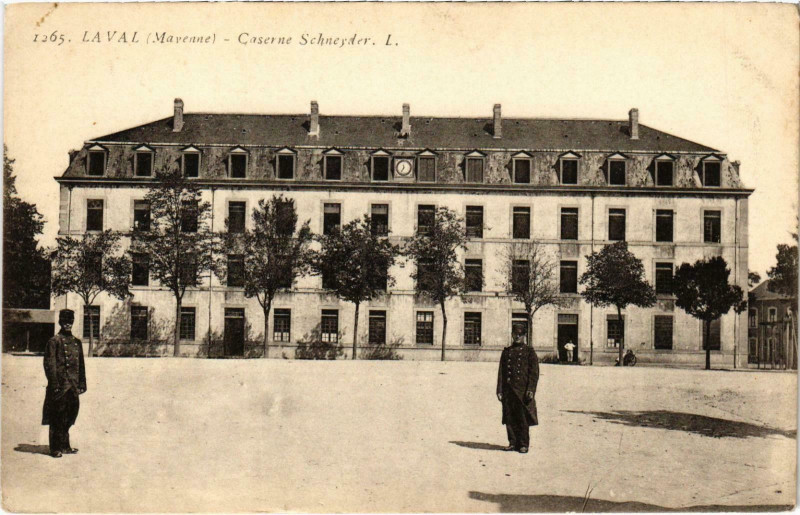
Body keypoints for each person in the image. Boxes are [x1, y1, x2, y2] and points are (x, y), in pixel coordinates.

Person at [42, 309, 86, 458]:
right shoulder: (54, 341)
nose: (68, 324)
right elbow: (50, 365)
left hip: (72, 386)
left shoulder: (76, 342)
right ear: (60, 322)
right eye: (65, 322)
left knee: (70, 415)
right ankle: (55, 447)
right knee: (57, 416)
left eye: (70, 322)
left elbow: (81, 365)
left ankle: (65, 446)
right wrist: (54, 384)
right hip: (60, 387)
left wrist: (82, 383)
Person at [496, 325, 539, 453]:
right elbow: (501, 373)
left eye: (520, 334)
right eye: (515, 334)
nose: (517, 336)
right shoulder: (507, 351)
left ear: (524, 336)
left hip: (522, 391)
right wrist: (499, 390)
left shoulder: (529, 352)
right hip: (508, 390)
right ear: (512, 335)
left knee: (522, 418)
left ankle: (523, 444)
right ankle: (512, 442)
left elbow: (534, 373)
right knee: (509, 417)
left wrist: (531, 389)